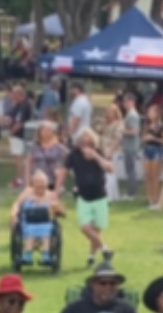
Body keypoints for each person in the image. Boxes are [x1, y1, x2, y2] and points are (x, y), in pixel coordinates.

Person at [66, 126, 115, 265]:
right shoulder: (74, 155)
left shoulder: (99, 153)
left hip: (100, 196)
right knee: (85, 227)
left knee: (96, 230)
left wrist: (96, 156)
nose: (85, 147)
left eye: (89, 144)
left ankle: (91, 257)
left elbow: (110, 169)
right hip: (83, 197)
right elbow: (64, 169)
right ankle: (106, 249)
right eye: (82, 143)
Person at [9, 167, 66, 257]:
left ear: (46, 184)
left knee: (48, 227)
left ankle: (46, 254)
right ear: (33, 184)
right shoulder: (28, 192)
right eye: (37, 184)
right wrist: (13, 215)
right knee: (28, 229)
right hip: (28, 223)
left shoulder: (50, 195)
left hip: (46, 224)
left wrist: (58, 209)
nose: (40, 187)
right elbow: (16, 204)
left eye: (42, 185)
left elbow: (63, 212)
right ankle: (28, 254)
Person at [120, 91, 141, 200]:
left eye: (126, 101)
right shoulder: (129, 114)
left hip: (131, 147)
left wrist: (122, 131)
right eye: (124, 101)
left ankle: (131, 193)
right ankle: (131, 192)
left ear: (132, 102)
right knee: (129, 170)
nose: (124, 103)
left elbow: (134, 131)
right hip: (128, 146)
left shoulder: (132, 115)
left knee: (131, 170)